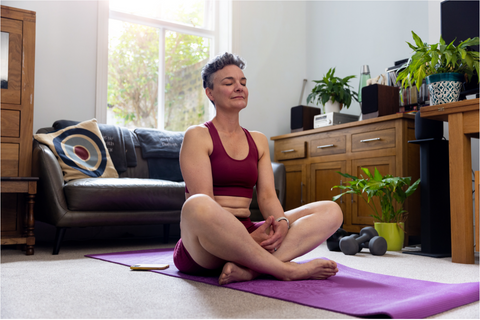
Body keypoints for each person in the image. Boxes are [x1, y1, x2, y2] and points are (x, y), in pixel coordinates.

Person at [173, 52, 343, 285]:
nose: (239, 87)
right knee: (196, 204)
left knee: (331, 210)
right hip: (206, 247)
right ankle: (285, 270)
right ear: (210, 93)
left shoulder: (258, 140)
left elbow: (267, 197)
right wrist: (248, 238)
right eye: (228, 82)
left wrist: (281, 223)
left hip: (250, 233)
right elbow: (207, 204)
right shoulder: (198, 135)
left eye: (242, 82)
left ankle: (252, 270)